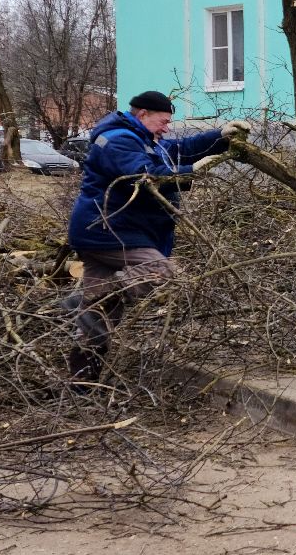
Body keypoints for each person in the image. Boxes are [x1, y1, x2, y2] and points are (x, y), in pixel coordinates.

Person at [63, 91, 245, 387]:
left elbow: (180, 148)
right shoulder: (118, 140)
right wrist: (190, 172)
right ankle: (94, 295)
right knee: (162, 272)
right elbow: (145, 175)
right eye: (163, 121)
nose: (166, 128)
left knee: (99, 317)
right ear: (143, 114)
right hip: (109, 231)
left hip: (110, 230)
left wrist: (220, 136)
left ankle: (83, 383)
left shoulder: (142, 140)